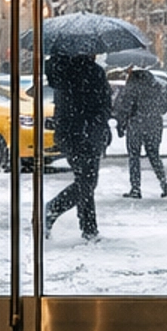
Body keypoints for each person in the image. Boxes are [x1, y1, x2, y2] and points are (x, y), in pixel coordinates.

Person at [44, 49, 114, 238]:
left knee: (84, 178)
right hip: (87, 133)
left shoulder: (60, 71)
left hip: (68, 133)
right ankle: (52, 210)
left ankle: (89, 227)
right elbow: (105, 105)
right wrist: (99, 122)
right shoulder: (93, 72)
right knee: (87, 181)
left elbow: (64, 103)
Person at [114, 63, 167, 199]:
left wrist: (120, 125)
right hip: (154, 125)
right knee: (154, 155)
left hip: (136, 125)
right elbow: (164, 108)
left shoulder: (132, 86)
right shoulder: (156, 86)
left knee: (134, 156)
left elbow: (124, 107)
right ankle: (163, 182)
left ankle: (135, 188)